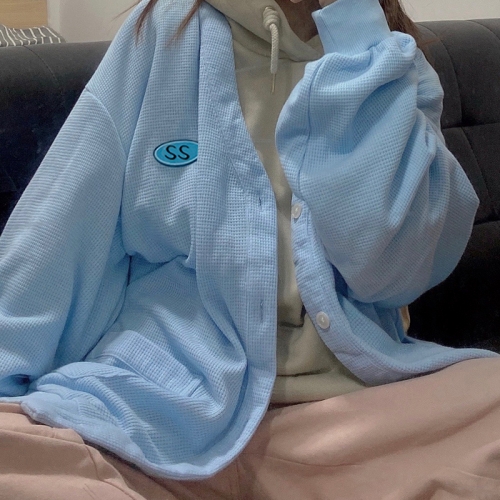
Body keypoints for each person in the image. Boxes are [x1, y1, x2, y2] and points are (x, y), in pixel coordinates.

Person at [1, 0, 500, 498]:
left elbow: (391, 274)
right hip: (154, 407)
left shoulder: (390, 57)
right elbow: (62, 221)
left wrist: (358, 45)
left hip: (354, 414)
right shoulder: (167, 31)